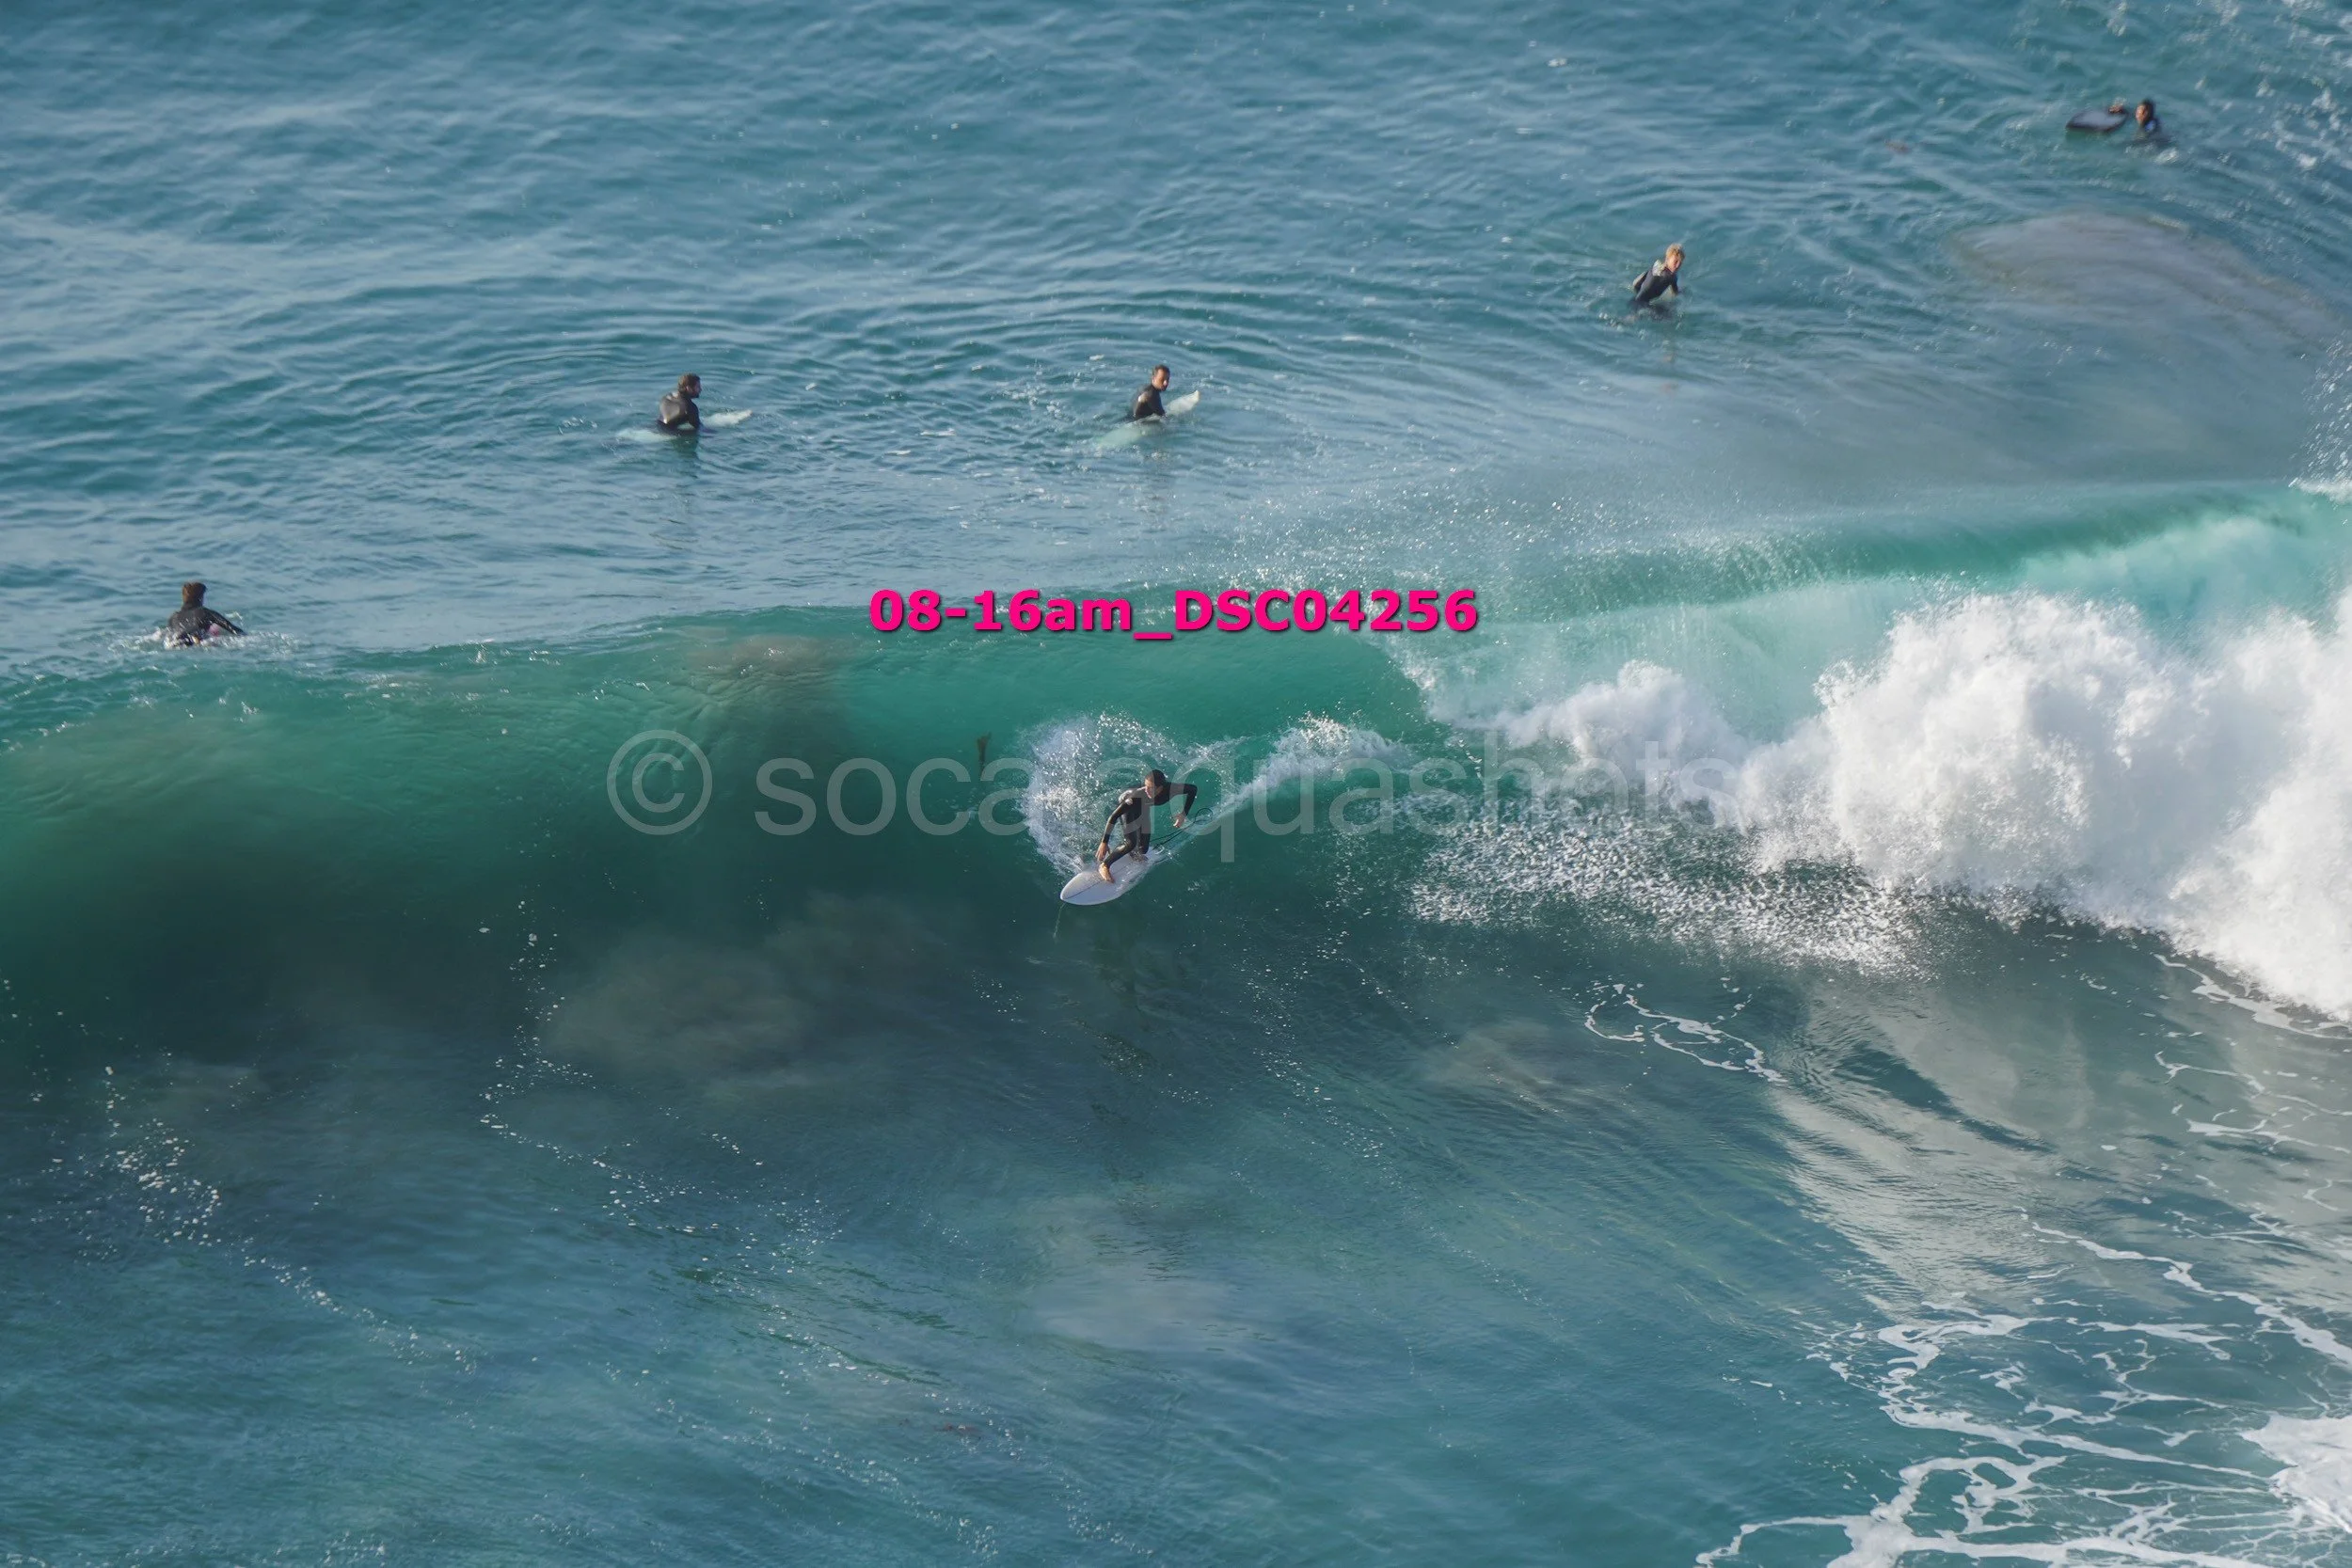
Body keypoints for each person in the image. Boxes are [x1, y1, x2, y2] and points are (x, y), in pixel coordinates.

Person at [1097, 768, 1196, 880]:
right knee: (1130, 843)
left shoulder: (1172, 789)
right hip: (1129, 803)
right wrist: (1104, 842)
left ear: (1160, 788)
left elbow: (1193, 789)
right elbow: (1113, 817)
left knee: (1143, 850)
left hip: (1143, 807)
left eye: (1150, 788)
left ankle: (1131, 853)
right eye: (1145, 786)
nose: (1146, 790)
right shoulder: (1137, 796)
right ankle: (1105, 865)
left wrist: (1183, 814)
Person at [165, 581, 243, 646]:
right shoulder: (205, 612)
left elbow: (168, 635)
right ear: (201, 598)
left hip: (175, 643)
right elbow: (233, 629)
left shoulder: (173, 617)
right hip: (196, 641)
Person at [1631, 245, 1684, 309]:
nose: (1678, 265)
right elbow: (1675, 293)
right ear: (1667, 259)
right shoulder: (1672, 277)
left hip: (1634, 300)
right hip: (1644, 306)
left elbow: (1636, 284)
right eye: (1675, 262)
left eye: (1680, 262)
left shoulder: (1656, 266)